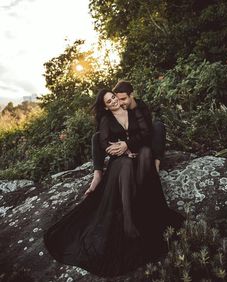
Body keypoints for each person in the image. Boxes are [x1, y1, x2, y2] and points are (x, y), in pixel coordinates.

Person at [43, 89, 184, 277]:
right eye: (109, 101)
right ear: (106, 106)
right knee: (124, 164)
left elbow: (145, 132)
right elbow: (102, 142)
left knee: (144, 155)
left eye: (114, 97)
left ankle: (141, 199)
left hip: (137, 154)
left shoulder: (133, 111)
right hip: (120, 161)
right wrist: (120, 152)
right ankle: (127, 219)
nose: (114, 101)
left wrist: (128, 144)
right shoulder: (106, 120)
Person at [86, 80, 166, 196]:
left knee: (158, 126)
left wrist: (127, 144)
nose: (118, 102)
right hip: (128, 145)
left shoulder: (140, 107)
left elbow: (146, 133)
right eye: (117, 98)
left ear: (131, 96)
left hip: (145, 141)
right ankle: (97, 174)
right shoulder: (116, 111)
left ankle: (156, 165)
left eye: (123, 99)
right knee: (96, 137)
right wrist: (120, 147)